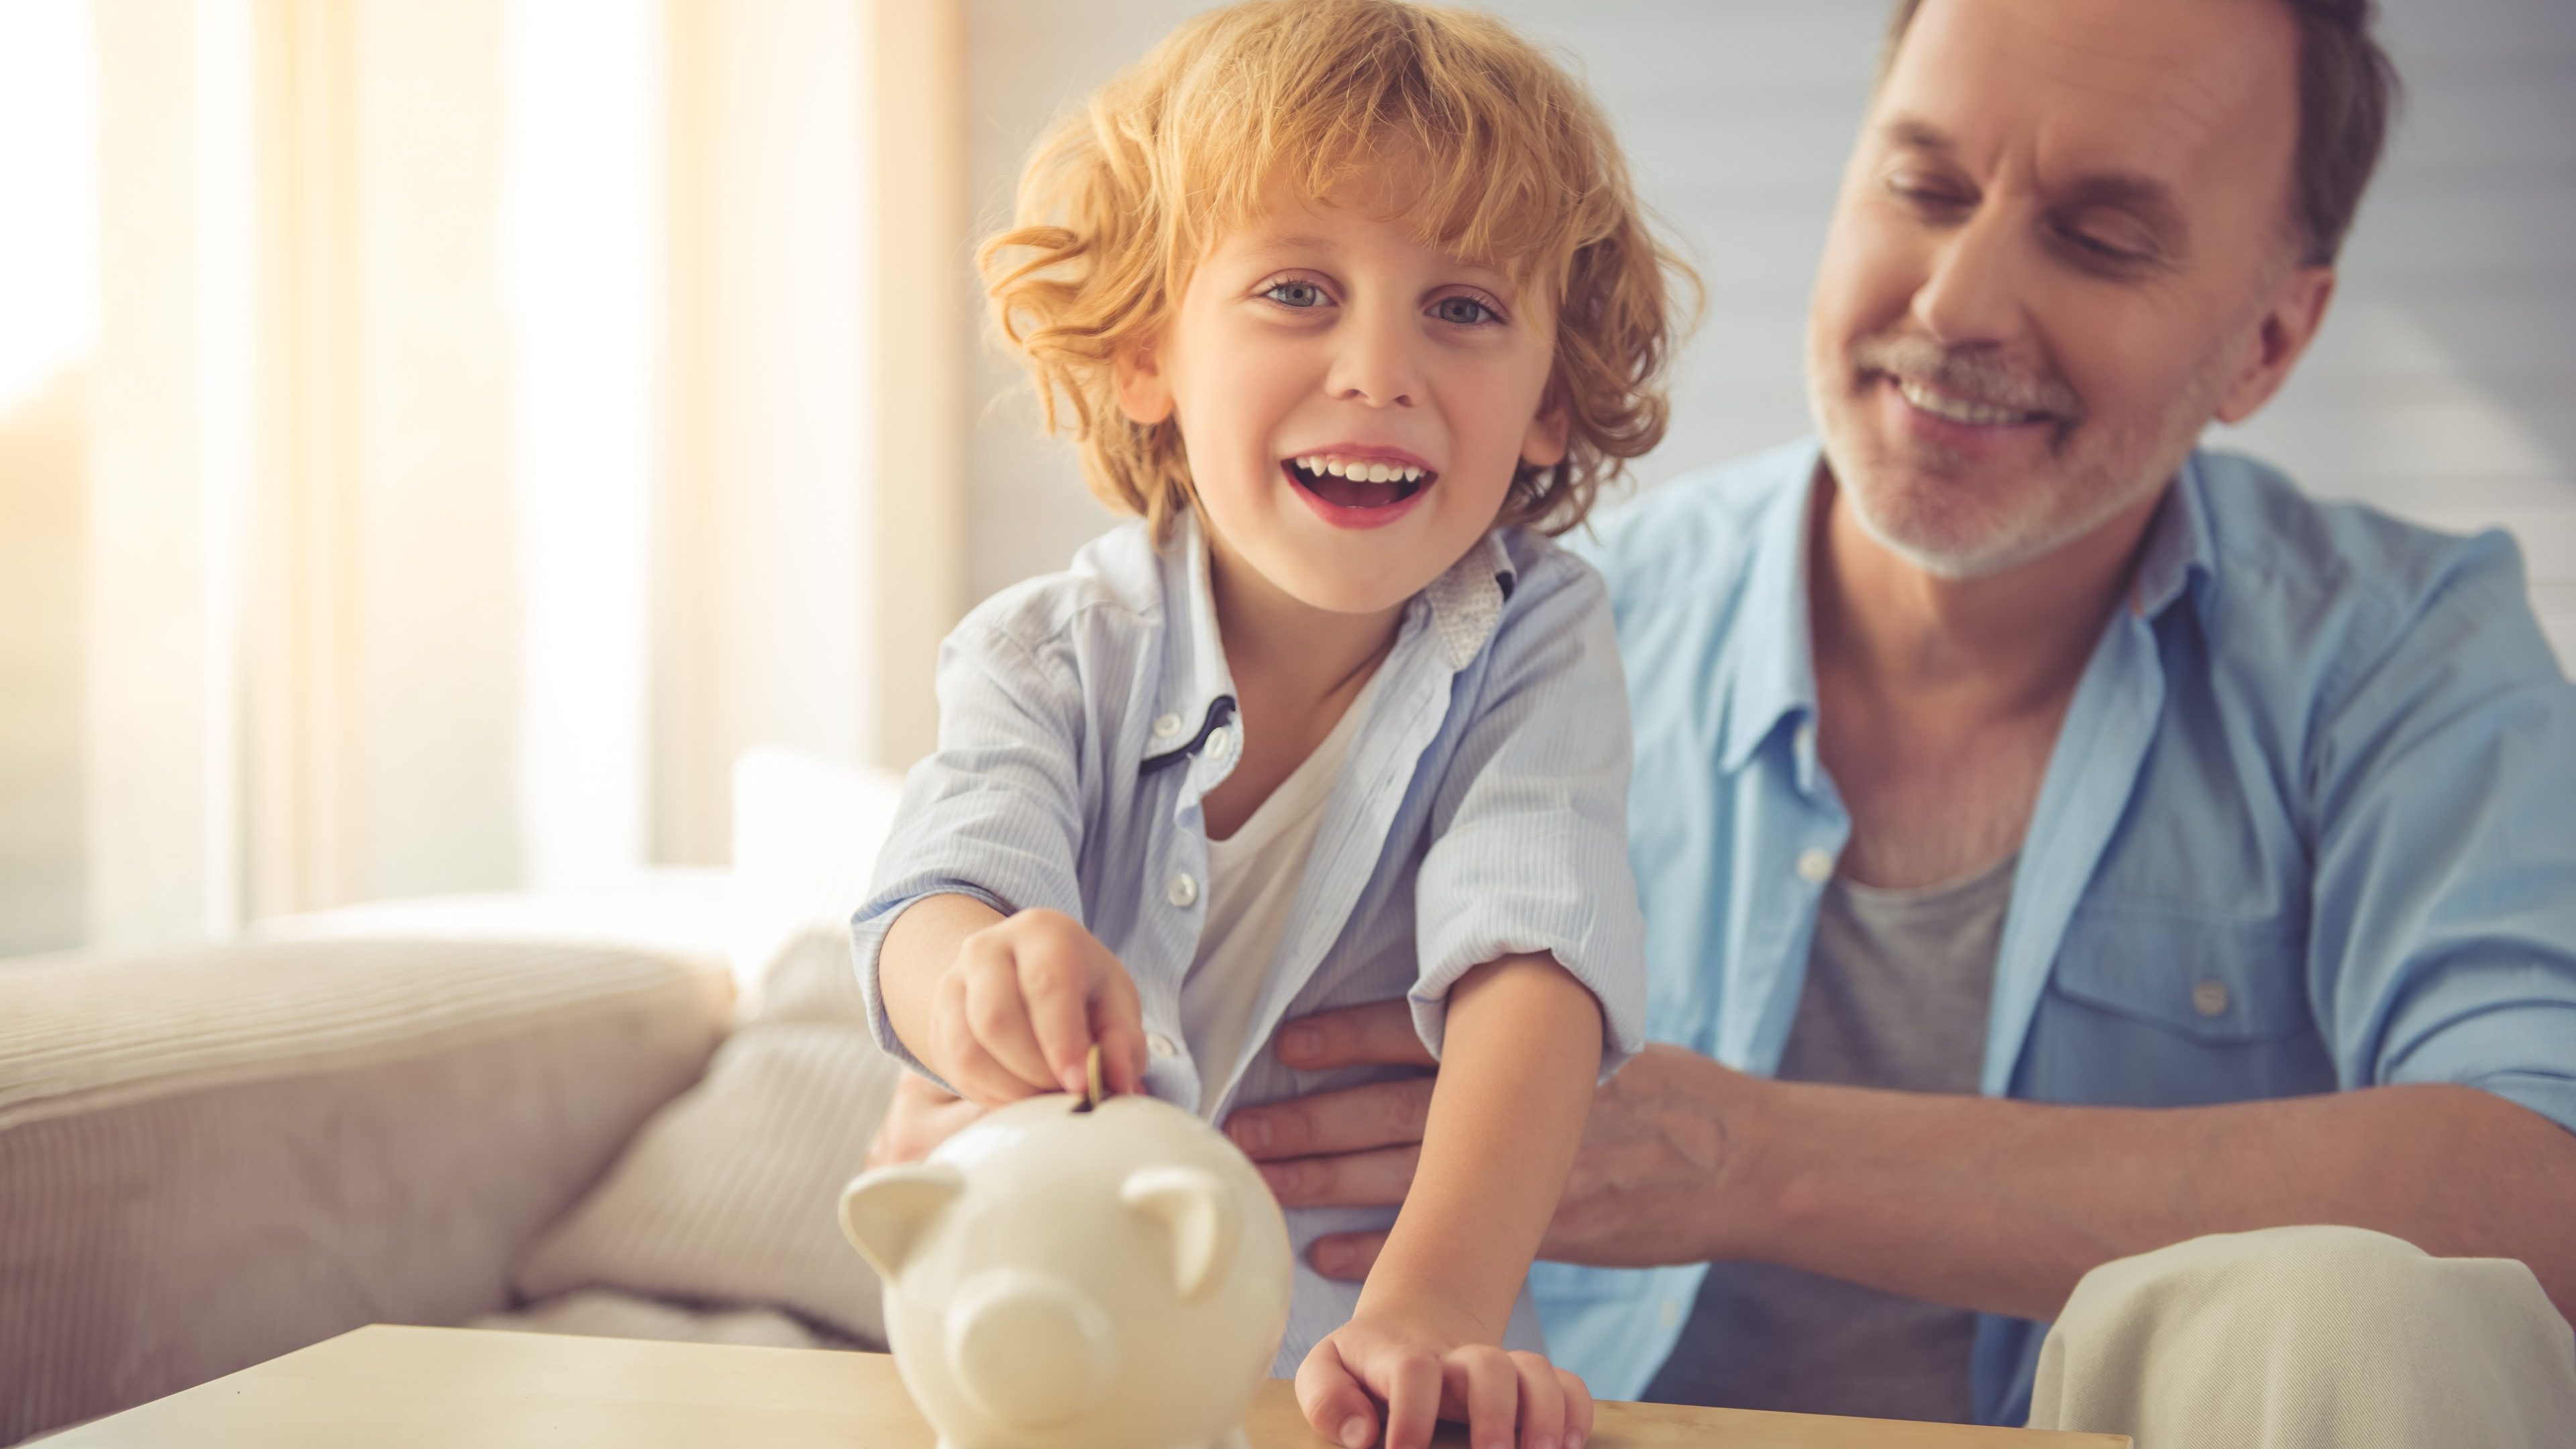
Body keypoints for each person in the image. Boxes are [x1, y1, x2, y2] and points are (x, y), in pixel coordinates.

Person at [878, 0, 2576, 1441]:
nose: (1961, 300)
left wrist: (1755, 1158)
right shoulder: (1497, 600)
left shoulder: (2395, 655)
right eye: (1923, 185)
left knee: (2362, 1304)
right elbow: (977, 910)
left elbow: (2542, 1194)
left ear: (2272, 336)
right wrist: (992, 1062)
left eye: (2100, 235)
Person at [851, 5, 1693, 1448]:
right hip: (1060, 1356)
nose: (1378, 368)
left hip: (1373, 1385)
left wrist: (1430, 1319)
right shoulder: (1045, 655)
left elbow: (1533, 968)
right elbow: (940, 891)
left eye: (1466, 307)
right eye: (1299, 291)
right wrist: (980, 983)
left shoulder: (1538, 648)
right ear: (1145, 352)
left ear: (1551, 402)